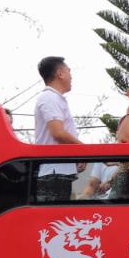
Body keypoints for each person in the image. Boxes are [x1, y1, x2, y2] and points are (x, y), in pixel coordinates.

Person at [32, 56, 83, 201]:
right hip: (54, 171)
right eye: (69, 71)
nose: (71, 76)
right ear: (60, 73)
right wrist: (84, 150)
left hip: (58, 171)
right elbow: (58, 133)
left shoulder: (54, 98)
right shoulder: (50, 98)